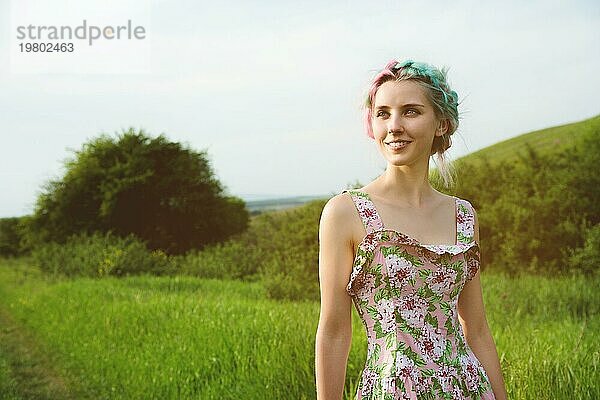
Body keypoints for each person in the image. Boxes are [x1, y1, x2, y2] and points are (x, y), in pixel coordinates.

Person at [315, 59, 507, 399]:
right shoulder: (346, 213)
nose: (394, 126)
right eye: (383, 113)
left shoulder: (463, 215)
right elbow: (334, 331)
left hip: (469, 389)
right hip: (392, 389)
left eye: (411, 112)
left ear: (442, 124)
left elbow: (476, 329)